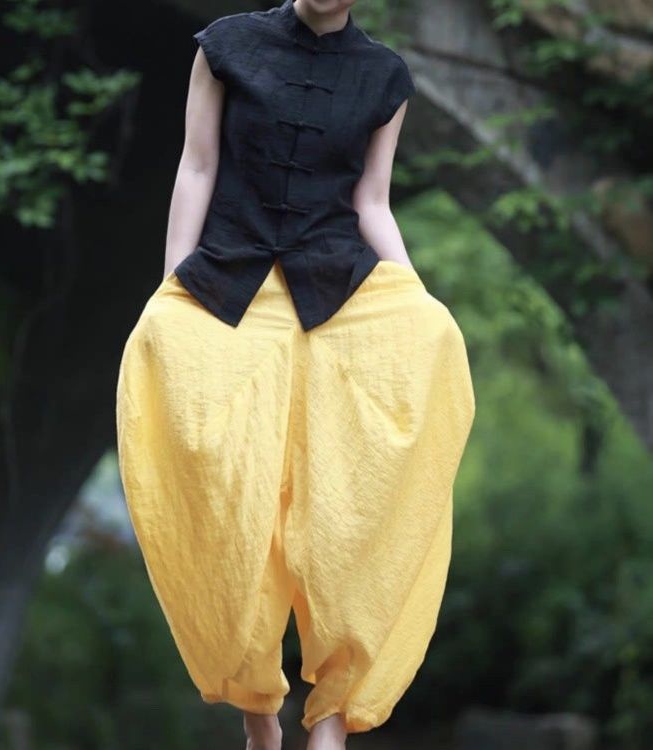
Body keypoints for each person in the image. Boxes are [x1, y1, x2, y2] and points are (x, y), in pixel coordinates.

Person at [115, 1, 476, 748]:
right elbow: (198, 166)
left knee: (345, 506)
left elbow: (371, 203)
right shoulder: (226, 46)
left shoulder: (385, 77)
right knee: (231, 507)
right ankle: (258, 714)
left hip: (336, 293)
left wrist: (416, 302)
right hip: (229, 286)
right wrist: (170, 289)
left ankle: (333, 719)